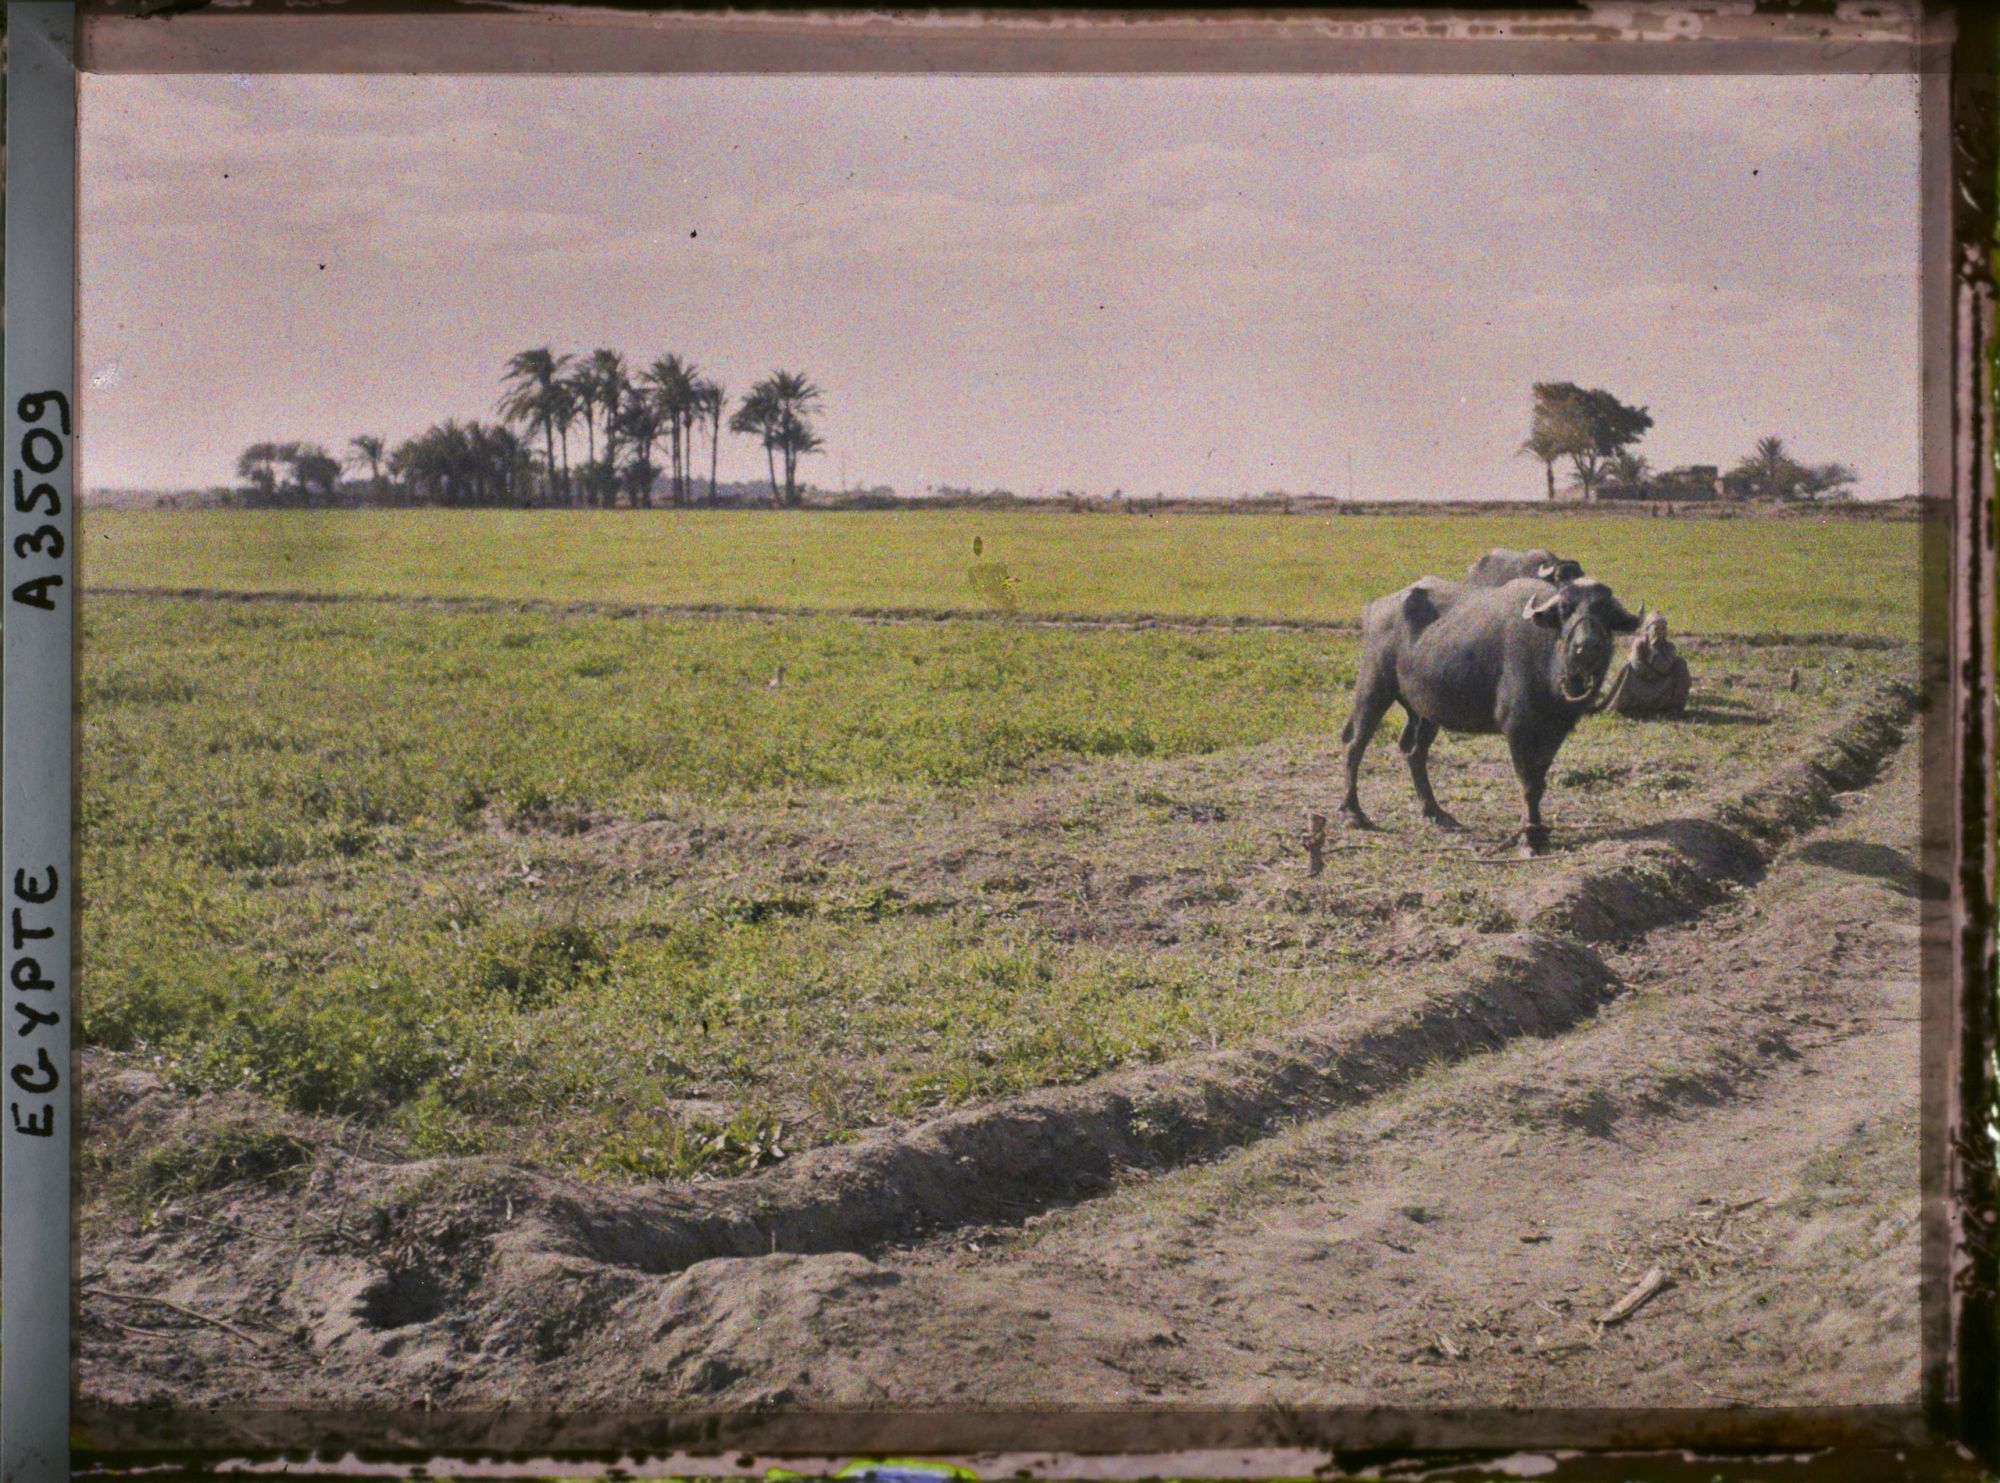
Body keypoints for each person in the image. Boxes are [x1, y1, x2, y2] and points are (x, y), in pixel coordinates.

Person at [1599, 609, 1691, 716]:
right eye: (1656, 629)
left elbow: (1665, 667)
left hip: (1663, 687)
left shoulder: (1669, 647)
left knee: (1680, 663)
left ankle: (1674, 707)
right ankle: (1628, 705)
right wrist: (1654, 672)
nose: (1660, 632)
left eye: (1663, 628)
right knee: (1627, 668)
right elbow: (1637, 667)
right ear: (1647, 630)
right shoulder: (1639, 644)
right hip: (1640, 685)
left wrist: (1652, 653)